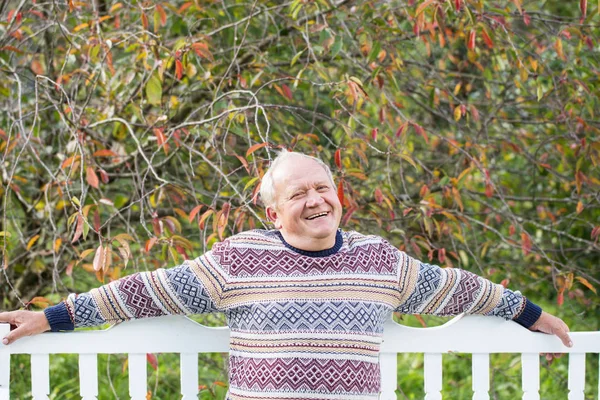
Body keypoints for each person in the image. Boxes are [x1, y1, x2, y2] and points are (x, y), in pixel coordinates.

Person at [0, 151, 572, 399]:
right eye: (299, 193)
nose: (317, 200)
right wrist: (49, 318)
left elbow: (460, 288)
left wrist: (533, 315)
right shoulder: (239, 259)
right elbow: (144, 292)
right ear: (273, 213)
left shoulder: (379, 261)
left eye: (324, 188)